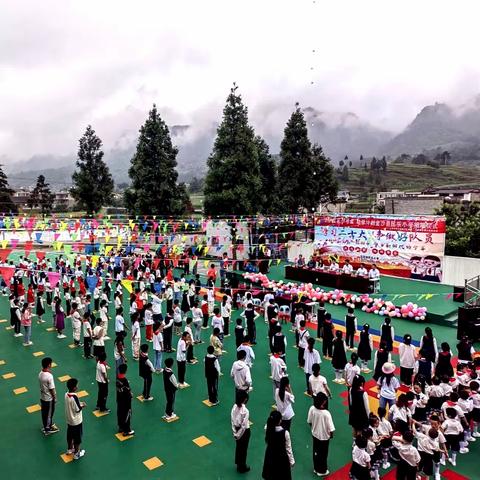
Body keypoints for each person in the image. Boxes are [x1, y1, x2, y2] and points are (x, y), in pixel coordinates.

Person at [307, 392, 335, 477]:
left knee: (315, 452)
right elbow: (331, 429)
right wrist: (331, 435)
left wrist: (313, 428)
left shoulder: (312, 409)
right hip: (324, 437)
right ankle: (322, 470)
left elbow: (309, 421)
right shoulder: (326, 413)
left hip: (315, 434)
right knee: (323, 454)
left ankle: (316, 468)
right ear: (323, 402)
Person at [262, 410, 295, 480]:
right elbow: (288, 448)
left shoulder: (267, 429)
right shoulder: (285, 433)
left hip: (270, 456)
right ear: (280, 421)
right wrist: (292, 461)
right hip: (281, 458)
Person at [64, 378, 86, 460]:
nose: (77, 387)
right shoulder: (74, 397)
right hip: (76, 421)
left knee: (70, 435)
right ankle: (77, 453)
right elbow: (77, 409)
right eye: (76, 385)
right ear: (74, 388)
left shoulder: (66, 394)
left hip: (69, 419)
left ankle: (69, 449)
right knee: (77, 437)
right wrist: (82, 405)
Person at [231, 390, 251, 474]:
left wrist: (235, 433)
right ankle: (242, 466)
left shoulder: (234, 407)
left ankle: (238, 463)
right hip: (244, 432)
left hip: (236, 429)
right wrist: (239, 435)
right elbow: (243, 426)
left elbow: (232, 420)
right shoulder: (245, 411)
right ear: (244, 399)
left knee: (239, 447)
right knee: (243, 449)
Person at [39, 357, 59, 435]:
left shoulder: (40, 373)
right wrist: (55, 397)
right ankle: (47, 428)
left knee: (44, 413)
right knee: (49, 414)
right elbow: (51, 389)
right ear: (49, 365)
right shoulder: (49, 376)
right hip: (49, 399)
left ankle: (46, 425)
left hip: (43, 397)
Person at [116, 363, 134, 436]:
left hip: (119, 399)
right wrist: (130, 395)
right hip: (126, 401)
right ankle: (126, 430)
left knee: (120, 413)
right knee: (127, 414)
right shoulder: (125, 381)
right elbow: (127, 391)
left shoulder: (117, 378)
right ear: (125, 371)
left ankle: (121, 427)